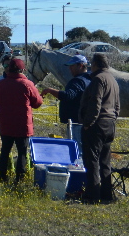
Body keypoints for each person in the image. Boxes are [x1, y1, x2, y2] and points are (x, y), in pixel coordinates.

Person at [0, 58, 43, 184]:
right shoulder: (27, 84)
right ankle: (19, 178)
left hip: (6, 123)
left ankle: (2, 176)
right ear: (22, 70)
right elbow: (37, 103)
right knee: (22, 152)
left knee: (5, 150)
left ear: (9, 69)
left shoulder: (1, 84)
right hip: (23, 124)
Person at [79, 53, 120, 204]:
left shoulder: (98, 79)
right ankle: (106, 195)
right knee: (105, 161)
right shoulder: (112, 80)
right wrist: (113, 118)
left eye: (91, 63)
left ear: (96, 64)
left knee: (92, 160)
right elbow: (117, 105)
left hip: (97, 124)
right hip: (110, 124)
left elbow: (95, 102)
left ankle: (92, 196)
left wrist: (88, 122)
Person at [41, 54, 91, 148]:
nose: (70, 69)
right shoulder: (89, 79)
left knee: (77, 150)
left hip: (76, 122)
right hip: (86, 120)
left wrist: (50, 90)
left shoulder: (77, 81)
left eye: (72, 66)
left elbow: (68, 96)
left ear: (80, 66)